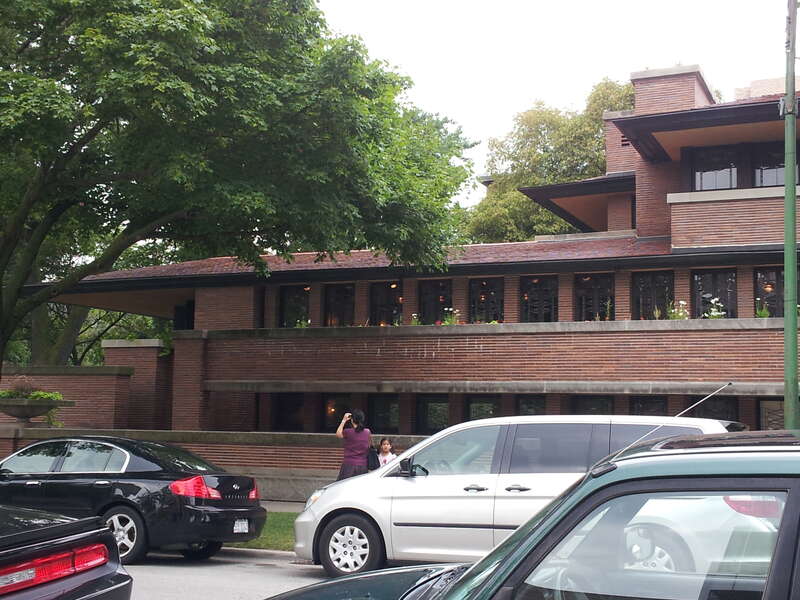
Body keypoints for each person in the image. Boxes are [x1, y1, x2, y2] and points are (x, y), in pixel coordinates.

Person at [335, 409, 371, 480]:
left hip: (348, 465)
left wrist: (344, 420)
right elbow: (368, 446)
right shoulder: (367, 432)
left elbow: (338, 434)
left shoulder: (347, 432)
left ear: (352, 420)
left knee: (344, 487)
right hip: (362, 465)